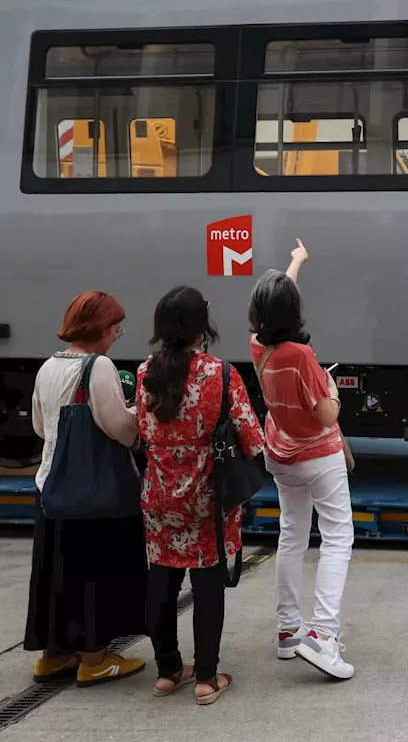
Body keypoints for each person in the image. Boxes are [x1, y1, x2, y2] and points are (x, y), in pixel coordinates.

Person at [136, 286, 266, 704]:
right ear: (201, 326)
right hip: (208, 497)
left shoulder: (144, 373)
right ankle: (207, 678)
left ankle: (167, 671)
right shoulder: (220, 374)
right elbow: (253, 439)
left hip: (159, 495)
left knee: (162, 578)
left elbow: (144, 430)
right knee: (208, 583)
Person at [25, 291, 149, 687]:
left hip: (52, 488)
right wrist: (137, 420)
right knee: (95, 574)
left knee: (57, 573)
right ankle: (94, 659)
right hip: (95, 495)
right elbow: (119, 427)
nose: (116, 335)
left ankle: (52, 656)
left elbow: (40, 427)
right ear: (98, 329)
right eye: (115, 328)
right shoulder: (99, 367)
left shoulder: (47, 366)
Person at [249, 238, 355, 680]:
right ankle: (323, 637)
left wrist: (295, 262)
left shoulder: (260, 345)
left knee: (292, 535)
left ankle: (289, 631)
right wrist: (331, 390)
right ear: (295, 316)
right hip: (318, 457)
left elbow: (278, 305)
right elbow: (326, 413)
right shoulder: (303, 356)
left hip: (281, 455)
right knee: (337, 538)